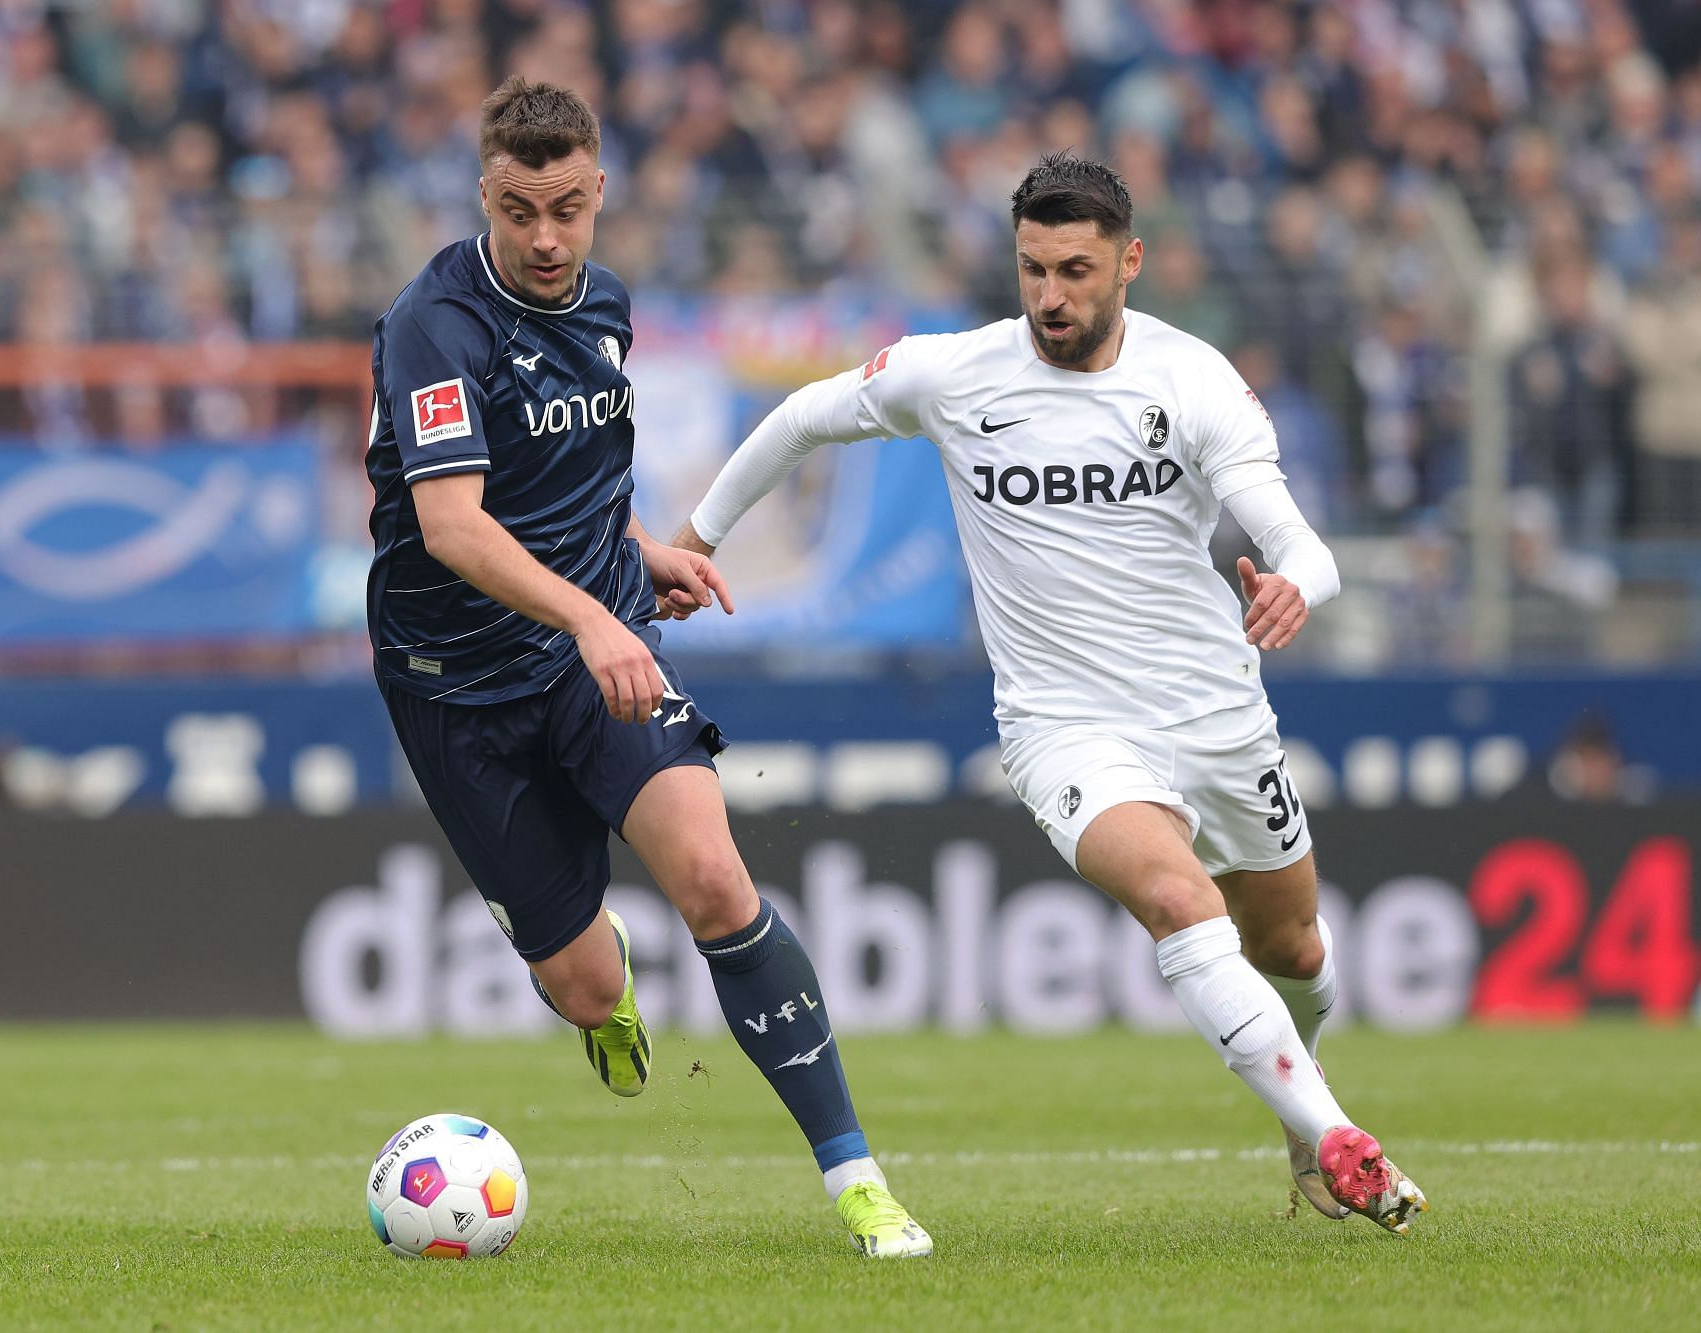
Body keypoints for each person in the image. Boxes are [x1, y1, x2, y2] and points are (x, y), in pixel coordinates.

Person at [675, 152, 1427, 1234]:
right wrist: (697, 536)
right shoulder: (957, 375)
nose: (1050, 298)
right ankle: (1340, 1137)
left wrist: (1292, 590)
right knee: (1179, 900)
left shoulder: (1194, 381)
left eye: (1075, 270)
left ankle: (1300, 1118)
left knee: (1297, 949)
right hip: (1064, 727)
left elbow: (1300, 542)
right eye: (1032, 270)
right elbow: (802, 418)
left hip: (1214, 712)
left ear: (1130, 262)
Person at [363, 77, 930, 1259]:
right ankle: (604, 988)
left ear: (601, 189)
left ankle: (859, 1183)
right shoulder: (435, 325)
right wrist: (592, 617)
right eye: (520, 210)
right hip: (458, 685)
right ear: (484, 192)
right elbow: (459, 526)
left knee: (719, 884)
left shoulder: (607, 306)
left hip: (596, 651)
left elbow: (563, 497)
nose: (546, 237)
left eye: (568, 207)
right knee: (575, 983)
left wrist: (636, 562)